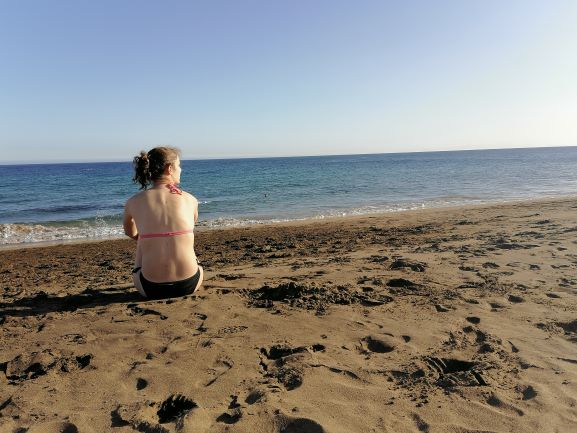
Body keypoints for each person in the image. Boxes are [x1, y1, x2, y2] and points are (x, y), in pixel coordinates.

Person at [123, 146, 203, 299]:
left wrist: (145, 237)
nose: (181, 169)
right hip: (190, 283)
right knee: (184, 237)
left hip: (150, 288)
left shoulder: (133, 202)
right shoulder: (191, 200)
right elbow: (191, 224)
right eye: (179, 165)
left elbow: (129, 232)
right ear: (169, 169)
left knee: (141, 238)